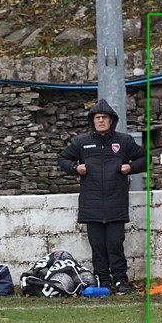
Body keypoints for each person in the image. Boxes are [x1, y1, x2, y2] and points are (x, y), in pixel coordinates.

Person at [58, 99, 146, 294]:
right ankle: (102, 281)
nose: (100, 121)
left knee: (115, 244)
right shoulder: (82, 142)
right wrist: (75, 168)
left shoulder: (124, 141)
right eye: (97, 118)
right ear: (93, 121)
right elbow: (63, 158)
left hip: (116, 203)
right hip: (92, 204)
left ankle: (121, 281)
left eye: (104, 118)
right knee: (97, 247)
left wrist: (130, 167)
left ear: (111, 120)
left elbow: (144, 158)